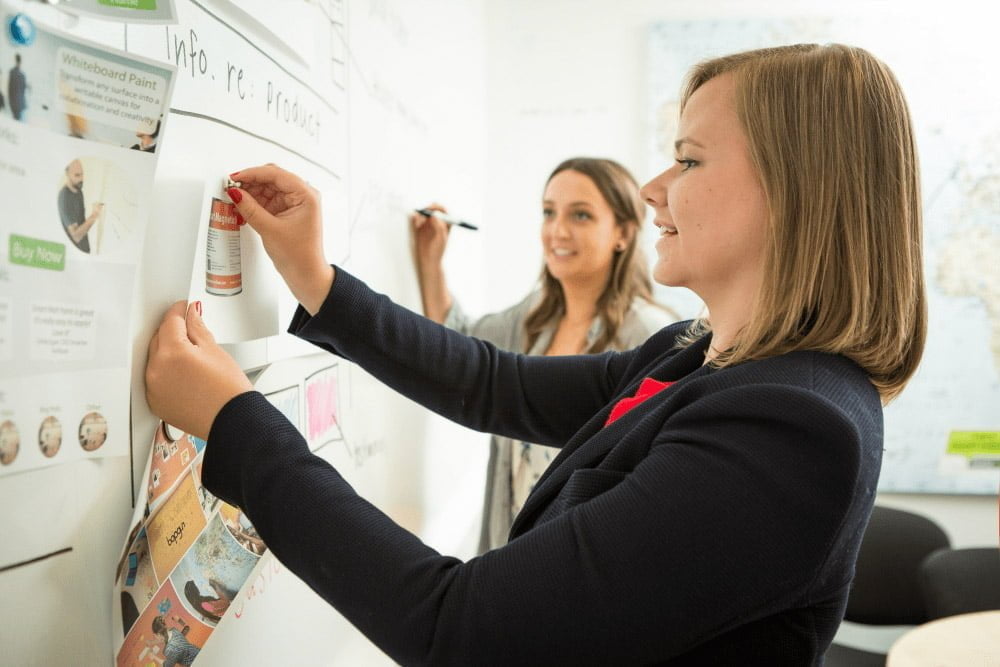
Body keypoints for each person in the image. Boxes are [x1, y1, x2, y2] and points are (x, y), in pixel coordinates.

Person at [145, 43, 926, 664]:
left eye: (687, 160)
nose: (655, 188)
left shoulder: (792, 428)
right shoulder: (697, 356)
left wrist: (237, 423)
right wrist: (317, 281)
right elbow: (497, 383)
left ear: (794, 192)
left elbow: (464, 629)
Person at [411, 157, 676, 550]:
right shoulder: (532, 318)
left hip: (586, 571)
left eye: (581, 215)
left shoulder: (648, 335)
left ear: (623, 232)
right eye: (549, 212)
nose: (557, 230)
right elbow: (459, 345)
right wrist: (430, 260)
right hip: (513, 559)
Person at [57, 159, 103, 253]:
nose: (81, 179)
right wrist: (94, 215)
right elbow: (76, 236)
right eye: (77, 175)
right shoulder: (65, 197)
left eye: (82, 174)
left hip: (83, 251)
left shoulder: (78, 191)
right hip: (72, 254)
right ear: (67, 174)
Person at [7, 54, 26, 121]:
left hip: (14, 102)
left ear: (15, 60)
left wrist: (10, 101)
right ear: (20, 62)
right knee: (18, 120)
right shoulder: (22, 75)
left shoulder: (12, 72)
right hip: (20, 103)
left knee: (15, 119)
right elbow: (23, 90)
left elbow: (9, 88)